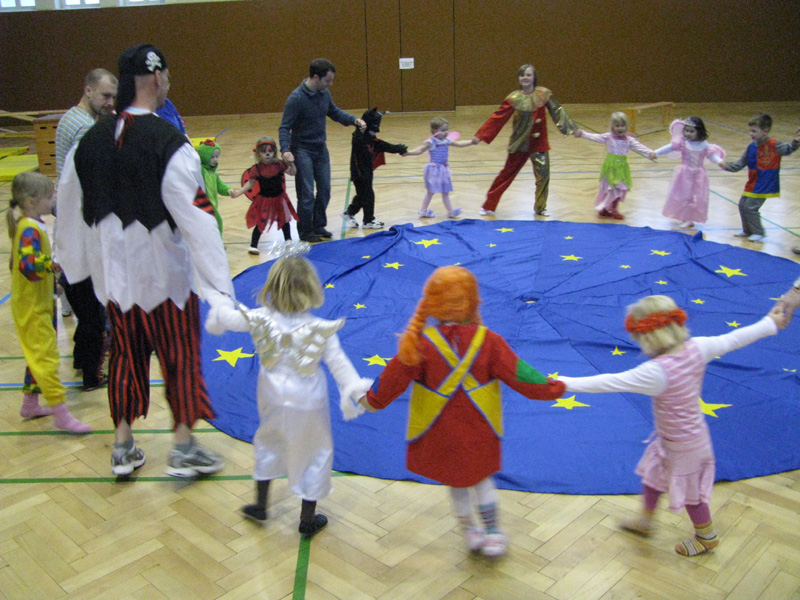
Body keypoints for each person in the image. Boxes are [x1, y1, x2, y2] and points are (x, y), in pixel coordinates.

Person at [56, 43, 235, 477]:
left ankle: (123, 447)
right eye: (167, 77)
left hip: (115, 282)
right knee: (180, 356)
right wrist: (219, 289)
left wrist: (75, 270)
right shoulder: (169, 142)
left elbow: (69, 208)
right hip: (166, 279)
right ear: (156, 78)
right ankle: (184, 447)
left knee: (124, 356)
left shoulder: (88, 143)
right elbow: (198, 219)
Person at [358, 266, 566, 557]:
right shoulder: (490, 341)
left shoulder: (420, 344)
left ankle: (470, 532)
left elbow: (392, 377)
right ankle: (492, 532)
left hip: (439, 431)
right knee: (482, 480)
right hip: (479, 429)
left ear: (432, 303)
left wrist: (371, 400)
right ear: (472, 301)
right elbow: (521, 374)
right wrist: (553, 387)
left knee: (456, 482)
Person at [557, 295, 787, 556]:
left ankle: (706, 537)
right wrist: (769, 323)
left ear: (647, 337)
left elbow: (609, 382)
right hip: (687, 438)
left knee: (692, 495)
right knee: (653, 476)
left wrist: (563, 383)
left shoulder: (655, 372)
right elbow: (735, 338)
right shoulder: (698, 347)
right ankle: (645, 521)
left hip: (683, 447)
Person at [205, 255, 372, 537]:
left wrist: (219, 300)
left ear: (272, 287)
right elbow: (340, 365)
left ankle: (260, 505)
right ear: (311, 289)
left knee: (268, 440)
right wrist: (358, 390)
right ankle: (307, 519)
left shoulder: (259, 317)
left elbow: (229, 319)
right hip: (309, 400)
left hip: (270, 394)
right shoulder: (320, 329)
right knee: (316, 451)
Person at [7, 172, 92, 433]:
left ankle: (30, 403)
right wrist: (53, 265)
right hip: (31, 308)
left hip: (39, 303)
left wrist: (51, 284)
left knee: (39, 354)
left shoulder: (33, 224)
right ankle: (61, 413)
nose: (53, 199)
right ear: (31, 202)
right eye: (49, 196)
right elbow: (27, 264)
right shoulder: (29, 229)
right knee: (46, 358)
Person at [55, 69, 118, 389]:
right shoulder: (84, 128)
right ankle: (93, 373)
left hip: (75, 224)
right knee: (94, 309)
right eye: (105, 96)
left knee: (84, 302)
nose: (110, 103)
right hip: (82, 226)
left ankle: (82, 360)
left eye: (113, 98)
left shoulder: (72, 118)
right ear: (88, 90)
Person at [278, 58, 366, 243]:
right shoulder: (296, 98)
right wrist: (285, 150)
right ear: (316, 77)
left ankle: (319, 225)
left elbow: (334, 112)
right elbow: (284, 127)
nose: (330, 84)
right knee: (307, 193)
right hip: (302, 150)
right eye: (328, 80)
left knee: (325, 190)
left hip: (320, 149)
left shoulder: (324, 93)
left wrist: (353, 120)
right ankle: (305, 231)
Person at [472, 64, 577, 216]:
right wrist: (481, 135)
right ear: (518, 78)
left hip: (539, 143)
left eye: (528, 75)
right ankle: (489, 205)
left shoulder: (543, 94)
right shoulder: (513, 98)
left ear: (534, 77)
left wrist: (572, 129)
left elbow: (557, 111)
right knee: (506, 175)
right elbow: (498, 118)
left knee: (543, 176)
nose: (525, 78)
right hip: (520, 143)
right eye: (522, 75)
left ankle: (540, 208)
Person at [720, 113, 800, 242]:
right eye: (750, 131)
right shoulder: (751, 147)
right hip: (753, 182)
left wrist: (795, 141)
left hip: (765, 183)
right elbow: (740, 163)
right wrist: (726, 166)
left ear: (765, 131)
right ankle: (747, 230)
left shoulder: (774, 145)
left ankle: (758, 232)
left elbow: (788, 149)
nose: (751, 134)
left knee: (750, 207)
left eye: (754, 131)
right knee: (742, 205)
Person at [574, 112, 655, 220]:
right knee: (608, 188)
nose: (620, 128)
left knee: (619, 189)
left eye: (622, 125)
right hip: (609, 168)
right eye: (617, 126)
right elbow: (595, 137)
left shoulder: (629, 140)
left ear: (627, 126)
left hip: (621, 168)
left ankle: (614, 208)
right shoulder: (609, 137)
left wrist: (650, 153)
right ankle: (604, 208)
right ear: (612, 127)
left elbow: (639, 147)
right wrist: (582, 134)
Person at [653, 117, 725, 230]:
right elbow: (669, 147)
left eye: (692, 131)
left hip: (698, 175)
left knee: (695, 196)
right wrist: (656, 152)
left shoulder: (704, 145)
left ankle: (689, 219)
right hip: (684, 174)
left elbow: (712, 156)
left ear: (699, 131)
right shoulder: (683, 143)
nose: (688, 133)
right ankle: (685, 217)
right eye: (686, 131)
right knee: (684, 195)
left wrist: (720, 162)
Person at [341, 108, 407, 230]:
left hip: (366, 171)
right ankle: (368, 220)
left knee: (362, 195)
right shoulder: (358, 138)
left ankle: (349, 212)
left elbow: (384, 146)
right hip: (359, 173)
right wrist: (361, 128)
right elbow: (360, 136)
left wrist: (399, 148)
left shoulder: (371, 139)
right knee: (368, 195)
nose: (374, 132)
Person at [236, 136, 298, 255]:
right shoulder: (256, 169)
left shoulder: (279, 164)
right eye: (264, 152)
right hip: (264, 199)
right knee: (261, 220)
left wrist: (291, 164)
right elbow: (250, 183)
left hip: (279, 198)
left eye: (270, 151)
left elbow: (292, 173)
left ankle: (288, 241)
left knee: (284, 219)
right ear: (258, 154)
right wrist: (240, 192)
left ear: (274, 152)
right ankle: (253, 245)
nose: (268, 154)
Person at [404, 117, 475, 219]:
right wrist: (408, 153)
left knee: (445, 191)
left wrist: (471, 142)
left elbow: (459, 143)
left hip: (444, 170)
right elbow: (420, 150)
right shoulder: (431, 142)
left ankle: (450, 212)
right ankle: (423, 210)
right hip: (433, 171)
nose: (446, 132)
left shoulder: (446, 140)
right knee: (430, 192)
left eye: (447, 130)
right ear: (434, 131)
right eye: (443, 130)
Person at [196, 139, 234, 234]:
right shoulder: (201, 170)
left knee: (212, 225)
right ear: (204, 156)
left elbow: (219, 184)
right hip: (204, 204)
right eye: (212, 157)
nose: (215, 159)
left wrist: (228, 190)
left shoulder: (213, 172)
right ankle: (216, 241)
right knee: (217, 223)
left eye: (217, 157)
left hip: (212, 204)